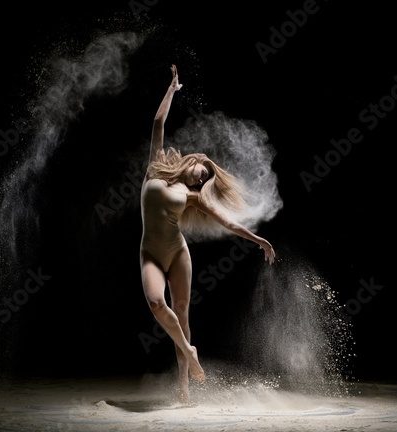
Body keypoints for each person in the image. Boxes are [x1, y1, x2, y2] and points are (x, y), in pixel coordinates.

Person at [139, 64, 276, 404]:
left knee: (182, 313)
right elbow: (158, 123)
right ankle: (190, 350)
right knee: (158, 304)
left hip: (177, 253)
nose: (202, 179)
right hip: (151, 254)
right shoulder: (154, 168)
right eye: (203, 172)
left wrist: (258, 240)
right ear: (193, 161)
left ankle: (183, 389)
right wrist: (172, 88)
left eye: (204, 180)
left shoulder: (193, 196)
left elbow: (228, 222)